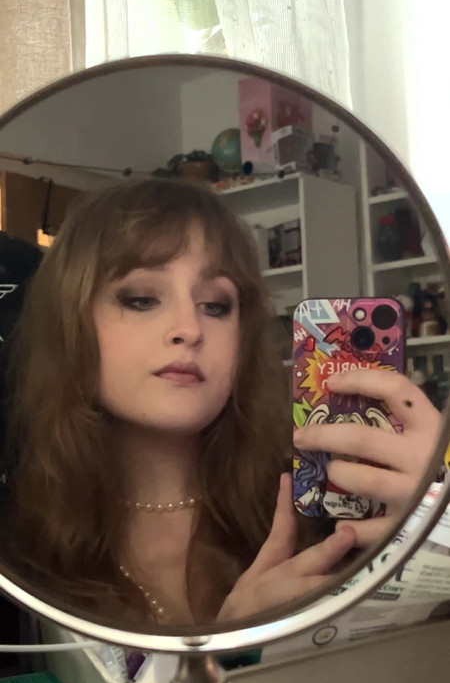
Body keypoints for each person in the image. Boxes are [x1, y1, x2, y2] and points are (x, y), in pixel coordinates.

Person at [2, 179, 442, 627]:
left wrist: (438, 522)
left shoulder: (323, 513)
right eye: (142, 300)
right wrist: (235, 651)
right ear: (70, 325)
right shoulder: (18, 547)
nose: (189, 329)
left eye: (215, 305)